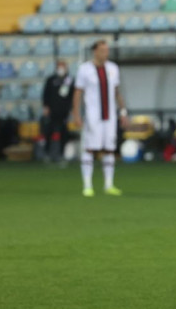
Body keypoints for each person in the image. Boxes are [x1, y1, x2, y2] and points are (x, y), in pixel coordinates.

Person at [72, 41, 128, 197]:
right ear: (95, 51)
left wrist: (123, 112)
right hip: (93, 115)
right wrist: (76, 114)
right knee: (90, 148)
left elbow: (116, 92)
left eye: (107, 50)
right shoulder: (84, 69)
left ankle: (109, 184)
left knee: (109, 148)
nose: (106, 53)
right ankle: (87, 185)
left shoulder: (113, 68)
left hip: (110, 116)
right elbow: (78, 93)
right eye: (103, 50)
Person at [42, 60, 74, 162]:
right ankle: (47, 153)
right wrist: (46, 106)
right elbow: (46, 94)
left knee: (63, 133)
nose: (61, 69)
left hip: (64, 111)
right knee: (49, 131)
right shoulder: (51, 80)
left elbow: (72, 96)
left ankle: (62, 154)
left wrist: (71, 109)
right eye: (59, 67)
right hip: (52, 111)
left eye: (63, 67)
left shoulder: (69, 80)